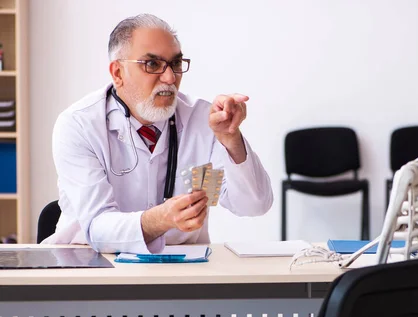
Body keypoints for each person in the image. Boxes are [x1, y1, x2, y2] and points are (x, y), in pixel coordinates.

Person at [43, 14, 273, 254]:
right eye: (152, 64)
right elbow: (98, 229)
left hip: (180, 270)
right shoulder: (79, 125)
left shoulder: (204, 120)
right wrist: (161, 219)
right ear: (118, 73)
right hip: (92, 266)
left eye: (175, 64)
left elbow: (254, 205)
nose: (170, 78)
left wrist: (231, 139)